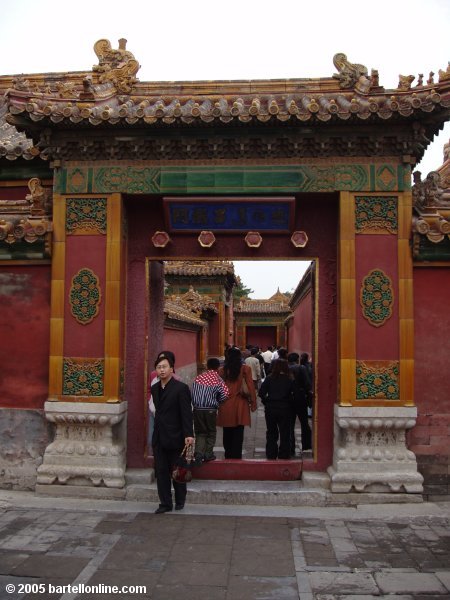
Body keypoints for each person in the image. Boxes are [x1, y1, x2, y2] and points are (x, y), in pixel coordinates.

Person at [151, 351, 194, 513]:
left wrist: (189, 434)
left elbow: (186, 413)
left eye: (164, 367)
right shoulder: (155, 388)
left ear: (171, 369)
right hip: (160, 437)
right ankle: (165, 503)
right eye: (159, 367)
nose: (161, 370)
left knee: (177, 470)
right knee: (161, 472)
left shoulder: (181, 388)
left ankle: (180, 500)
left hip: (176, 436)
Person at [217, 346, 257, 459]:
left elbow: (218, 388)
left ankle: (228, 454)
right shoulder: (245, 369)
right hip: (241, 403)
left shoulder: (222, 370)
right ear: (240, 357)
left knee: (227, 431)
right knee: (238, 431)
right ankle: (236, 455)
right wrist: (253, 403)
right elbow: (250, 386)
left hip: (226, 404)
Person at [191, 357, 229, 462]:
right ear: (218, 367)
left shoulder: (198, 378)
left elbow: (193, 392)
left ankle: (198, 453)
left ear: (207, 366)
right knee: (211, 432)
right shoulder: (218, 379)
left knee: (200, 432)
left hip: (197, 409)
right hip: (210, 410)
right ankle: (208, 454)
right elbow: (225, 394)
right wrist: (217, 401)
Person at [258, 358, 294, 460]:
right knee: (285, 432)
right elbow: (293, 393)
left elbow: (261, 393)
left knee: (271, 432)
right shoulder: (289, 379)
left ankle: (271, 453)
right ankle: (284, 453)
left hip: (271, 408)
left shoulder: (269, 378)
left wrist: (267, 402)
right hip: (285, 408)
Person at [288, 352, 312, 454]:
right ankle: (306, 446)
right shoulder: (301, 368)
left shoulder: (286, 368)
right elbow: (307, 383)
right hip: (301, 398)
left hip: (289, 399)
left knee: (290, 425)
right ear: (297, 359)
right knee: (304, 423)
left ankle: (291, 447)